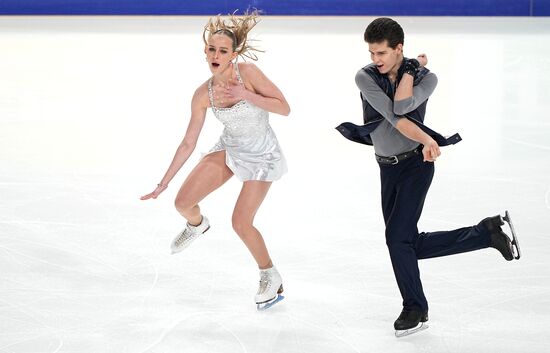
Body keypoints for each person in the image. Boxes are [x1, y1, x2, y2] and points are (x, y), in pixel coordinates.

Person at [336, 17, 521, 337]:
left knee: (397, 240)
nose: (375, 60)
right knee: (405, 242)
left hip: (415, 167)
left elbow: (404, 103)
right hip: (386, 166)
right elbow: (394, 116)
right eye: (371, 53)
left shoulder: (427, 78)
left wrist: (409, 70)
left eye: (381, 53)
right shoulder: (364, 77)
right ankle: (485, 233)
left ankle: (415, 307)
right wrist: (429, 139)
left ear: (399, 48)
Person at [141, 11, 290, 309]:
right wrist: (163, 183)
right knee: (182, 203)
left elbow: (284, 108)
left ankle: (269, 275)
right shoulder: (202, 94)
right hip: (230, 148)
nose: (216, 55)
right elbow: (188, 142)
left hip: (262, 153)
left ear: (233, 54)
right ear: (205, 50)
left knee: (240, 223)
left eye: (223, 50)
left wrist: (245, 94)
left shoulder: (248, 74)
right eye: (212, 49)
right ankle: (197, 225)